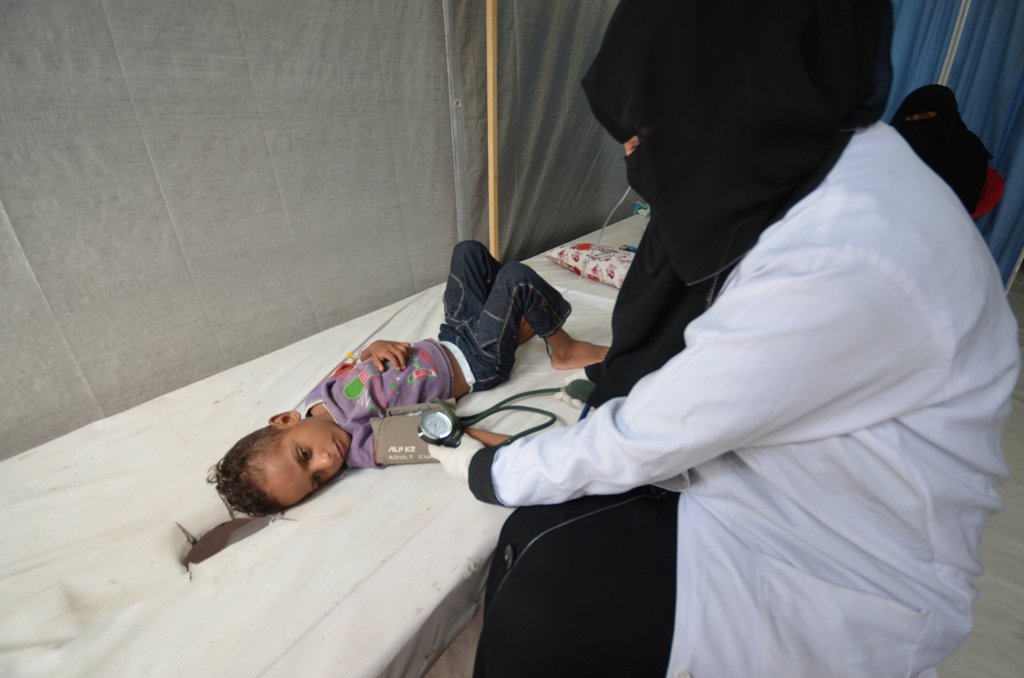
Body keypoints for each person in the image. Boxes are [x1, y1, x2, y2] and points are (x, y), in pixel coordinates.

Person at [427, 1, 1019, 676]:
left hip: (842, 567)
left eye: (646, 130)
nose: (631, 157)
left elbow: (659, 427)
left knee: (551, 592)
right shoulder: (822, 173)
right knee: (541, 539)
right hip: (779, 486)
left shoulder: (852, 250)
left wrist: (492, 469)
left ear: (727, 88)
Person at [211, 240, 607, 516]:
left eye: (304, 454)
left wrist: (374, 347)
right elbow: (443, 438)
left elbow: (357, 365)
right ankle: (562, 347)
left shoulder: (319, 399)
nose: (328, 461)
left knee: (467, 252)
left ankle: (511, 321)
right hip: (476, 361)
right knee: (517, 277)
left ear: (285, 420)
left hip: (451, 335)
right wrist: (535, 448)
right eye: (316, 479)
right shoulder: (364, 445)